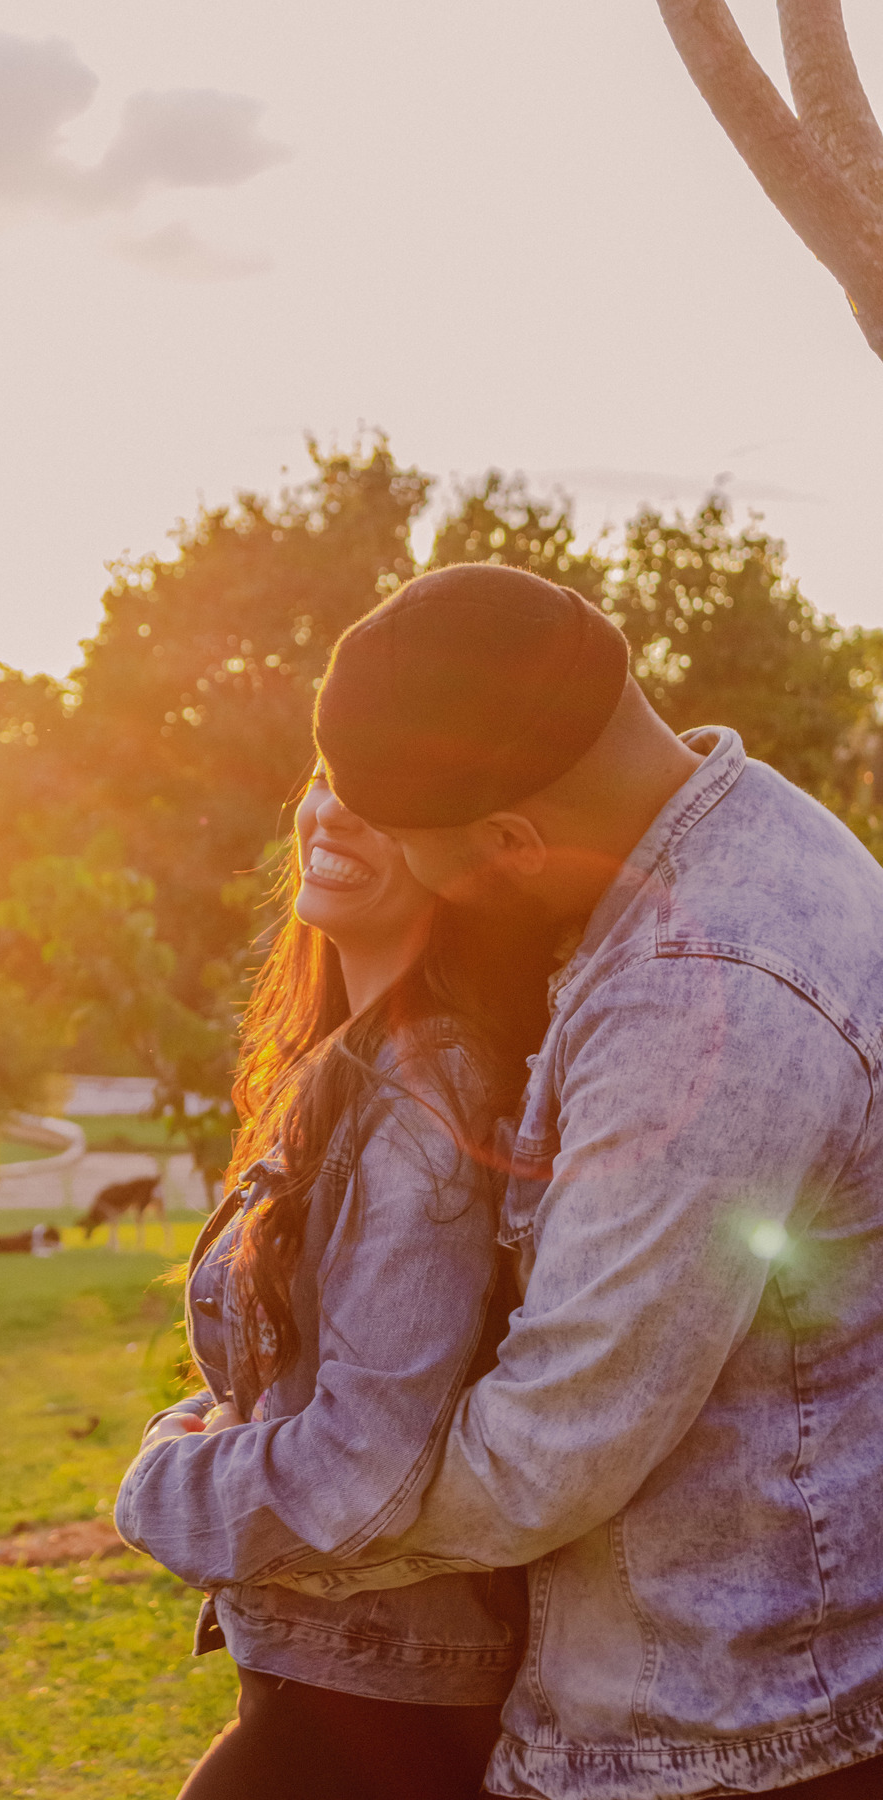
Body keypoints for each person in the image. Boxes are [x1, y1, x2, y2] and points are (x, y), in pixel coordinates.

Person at [272, 561, 883, 1798]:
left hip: (710, 1749)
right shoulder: (762, 831)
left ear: (510, 840)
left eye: (424, 857)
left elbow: (550, 1454)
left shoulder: (701, 997)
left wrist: (232, 1502)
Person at [115, 762, 552, 1799]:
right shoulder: (345, 1072)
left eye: (392, 791)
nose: (337, 808)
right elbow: (313, 1373)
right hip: (335, 1683)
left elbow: (365, 1459)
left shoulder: (422, 1098)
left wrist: (157, 1486)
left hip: (374, 1716)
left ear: (466, 859)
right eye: (327, 774)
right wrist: (197, 1419)